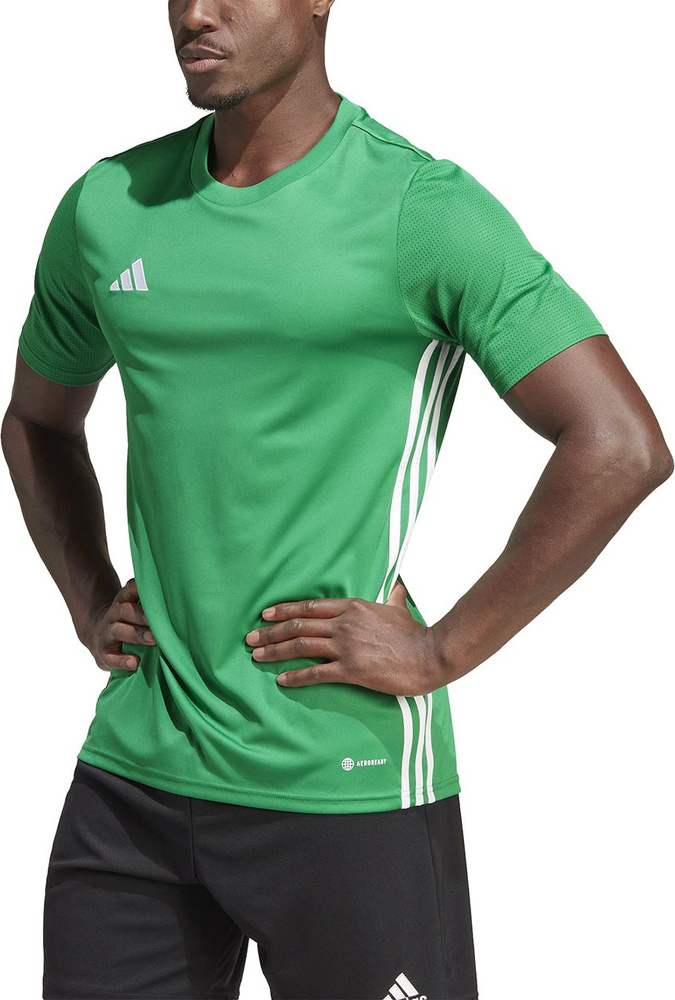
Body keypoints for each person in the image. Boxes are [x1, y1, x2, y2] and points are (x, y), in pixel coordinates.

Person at [3, 1, 672, 998]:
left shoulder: (420, 209)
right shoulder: (110, 205)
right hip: (133, 782)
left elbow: (619, 444)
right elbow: (37, 422)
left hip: (345, 782)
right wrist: (88, 594)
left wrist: (440, 651)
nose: (194, 12)